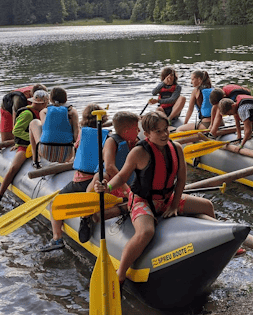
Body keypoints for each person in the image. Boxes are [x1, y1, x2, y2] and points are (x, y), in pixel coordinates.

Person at [94, 111, 215, 284]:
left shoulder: (177, 148)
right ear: (147, 134)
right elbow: (121, 176)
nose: (165, 134)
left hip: (167, 199)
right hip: (141, 201)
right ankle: (121, 272)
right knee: (146, 231)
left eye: (166, 129)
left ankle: (226, 244)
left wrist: (174, 205)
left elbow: (181, 179)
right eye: (158, 131)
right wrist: (108, 187)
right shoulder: (138, 152)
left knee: (207, 206)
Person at [39, 103, 110, 251]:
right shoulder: (107, 137)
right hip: (99, 181)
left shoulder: (83, 133)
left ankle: (57, 238)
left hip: (81, 182)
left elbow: (76, 153)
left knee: (55, 204)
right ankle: (86, 216)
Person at [78, 111, 141, 243]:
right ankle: (85, 216)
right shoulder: (112, 142)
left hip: (127, 184)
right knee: (100, 176)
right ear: (125, 130)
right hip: (109, 183)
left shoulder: (135, 142)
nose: (139, 130)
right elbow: (110, 166)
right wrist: (125, 187)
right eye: (136, 128)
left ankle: (121, 208)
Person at [0, 89, 50, 205]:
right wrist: (32, 139)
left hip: (38, 144)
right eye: (46, 103)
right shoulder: (27, 113)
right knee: (14, 168)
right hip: (26, 145)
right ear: (42, 103)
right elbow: (16, 131)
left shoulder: (42, 113)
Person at [28, 87, 79, 168]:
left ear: (50, 99)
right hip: (67, 154)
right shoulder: (72, 112)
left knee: (34, 122)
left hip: (45, 153)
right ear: (65, 99)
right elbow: (76, 137)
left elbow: (46, 129)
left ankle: (36, 160)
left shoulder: (44, 111)